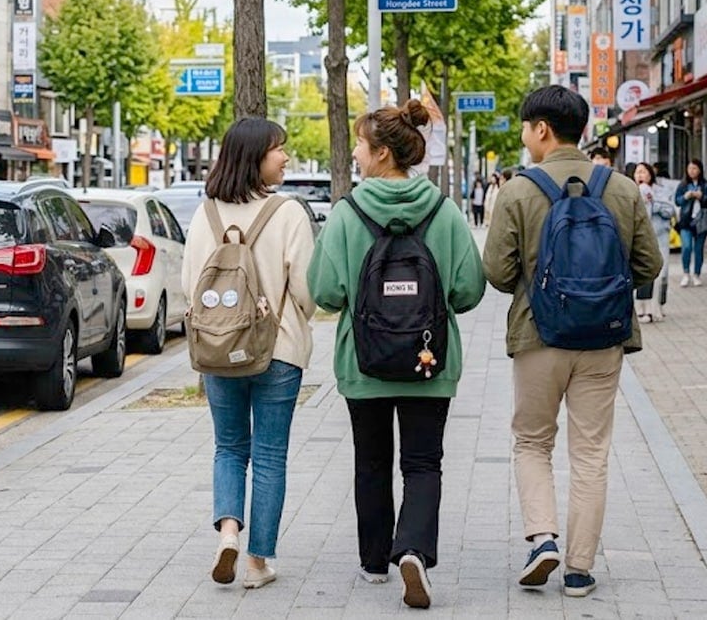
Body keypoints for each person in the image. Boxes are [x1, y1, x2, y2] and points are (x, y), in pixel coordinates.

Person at [484, 85, 663, 599]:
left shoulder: (520, 190)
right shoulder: (622, 188)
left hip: (539, 336)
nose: (523, 136)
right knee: (590, 452)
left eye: (525, 127)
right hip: (603, 340)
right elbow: (649, 266)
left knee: (533, 441)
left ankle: (543, 540)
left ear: (541, 129)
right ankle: (580, 569)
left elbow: (497, 271)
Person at [307, 100, 485, 609]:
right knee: (424, 462)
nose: (357, 152)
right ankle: (414, 551)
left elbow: (325, 291)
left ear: (382, 153)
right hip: (430, 361)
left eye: (361, 144)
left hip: (364, 362)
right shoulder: (444, 210)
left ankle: (373, 561)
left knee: (371, 460)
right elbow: (470, 289)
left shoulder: (348, 213)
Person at [181, 117, 316, 591]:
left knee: (229, 447)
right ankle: (258, 563)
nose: (285, 157)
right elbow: (305, 289)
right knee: (270, 455)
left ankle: (228, 534)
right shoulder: (289, 213)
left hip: (219, 349)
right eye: (279, 149)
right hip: (277, 349)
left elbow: (188, 286)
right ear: (255, 156)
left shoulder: (206, 214)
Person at [634, 162, 673, 322]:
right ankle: (643, 309)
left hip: (660, 237)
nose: (640, 175)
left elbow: (670, 210)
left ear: (650, 174)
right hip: (640, 238)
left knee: (662, 274)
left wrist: (654, 203)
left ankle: (658, 306)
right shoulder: (631, 191)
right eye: (637, 172)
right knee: (643, 271)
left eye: (643, 172)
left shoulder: (660, 191)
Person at [675, 159, 707, 287]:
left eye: (694, 168)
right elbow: (677, 201)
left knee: (698, 249)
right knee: (687, 247)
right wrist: (685, 197)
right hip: (686, 221)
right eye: (689, 168)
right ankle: (686, 273)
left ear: (700, 169)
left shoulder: (704, 185)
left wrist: (702, 197)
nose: (692, 171)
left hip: (701, 221)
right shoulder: (683, 185)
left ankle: (697, 274)